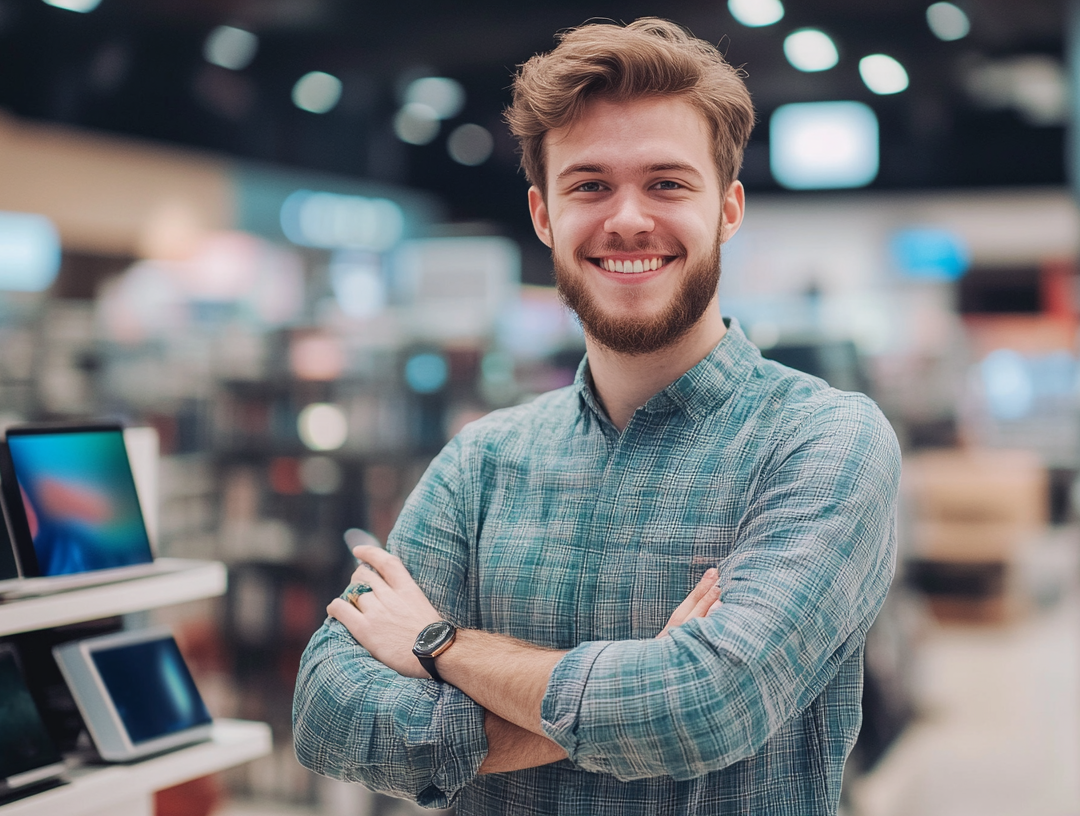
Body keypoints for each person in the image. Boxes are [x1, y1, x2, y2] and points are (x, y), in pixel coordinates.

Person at [292, 18, 900, 816]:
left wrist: (441, 647)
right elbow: (326, 710)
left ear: (728, 209)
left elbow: (705, 708)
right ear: (545, 217)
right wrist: (633, 689)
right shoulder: (483, 460)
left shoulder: (825, 442)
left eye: (667, 183)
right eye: (590, 185)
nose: (627, 220)